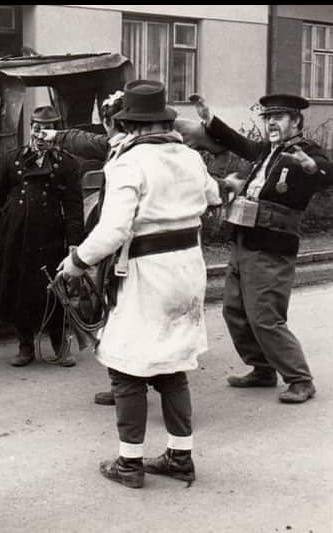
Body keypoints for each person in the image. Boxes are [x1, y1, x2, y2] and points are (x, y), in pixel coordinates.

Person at [58, 80, 222, 488]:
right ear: (164, 121)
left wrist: (76, 262)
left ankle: (129, 464)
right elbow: (214, 197)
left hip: (148, 274)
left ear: (128, 124)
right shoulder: (190, 157)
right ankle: (180, 457)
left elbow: (113, 230)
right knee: (173, 362)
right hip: (188, 269)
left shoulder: (129, 163)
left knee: (125, 365)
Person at [194, 93, 333, 403]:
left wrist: (311, 166)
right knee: (234, 310)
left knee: (265, 316)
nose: (271, 123)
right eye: (268, 117)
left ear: (295, 121)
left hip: (273, 245)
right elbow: (237, 142)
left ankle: (300, 379)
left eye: (278, 117)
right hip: (244, 239)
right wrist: (209, 119)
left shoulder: (307, 152)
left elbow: (327, 172)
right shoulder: (265, 152)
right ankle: (262, 369)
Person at [0, 105, 84, 367]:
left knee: (54, 288)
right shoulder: (13, 159)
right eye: (37, 128)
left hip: (50, 236)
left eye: (47, 130)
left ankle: (59, 343)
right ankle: (25, 345)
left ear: (56, 132)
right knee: (19, 288)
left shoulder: (67, 164)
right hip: (15, 234)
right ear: (30, 128)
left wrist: (74, 243)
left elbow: (74, 206)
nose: (41, 135)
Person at [47, 90, 128, 404]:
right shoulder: (130, 146)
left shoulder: (130, 154)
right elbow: (88, 141)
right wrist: (58, 135)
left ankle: (129, 387)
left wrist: (80, 259)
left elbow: (115, 225)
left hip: (130, 250)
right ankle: (131, 384)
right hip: (130, 250)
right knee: (118, 313)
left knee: (120, 315)